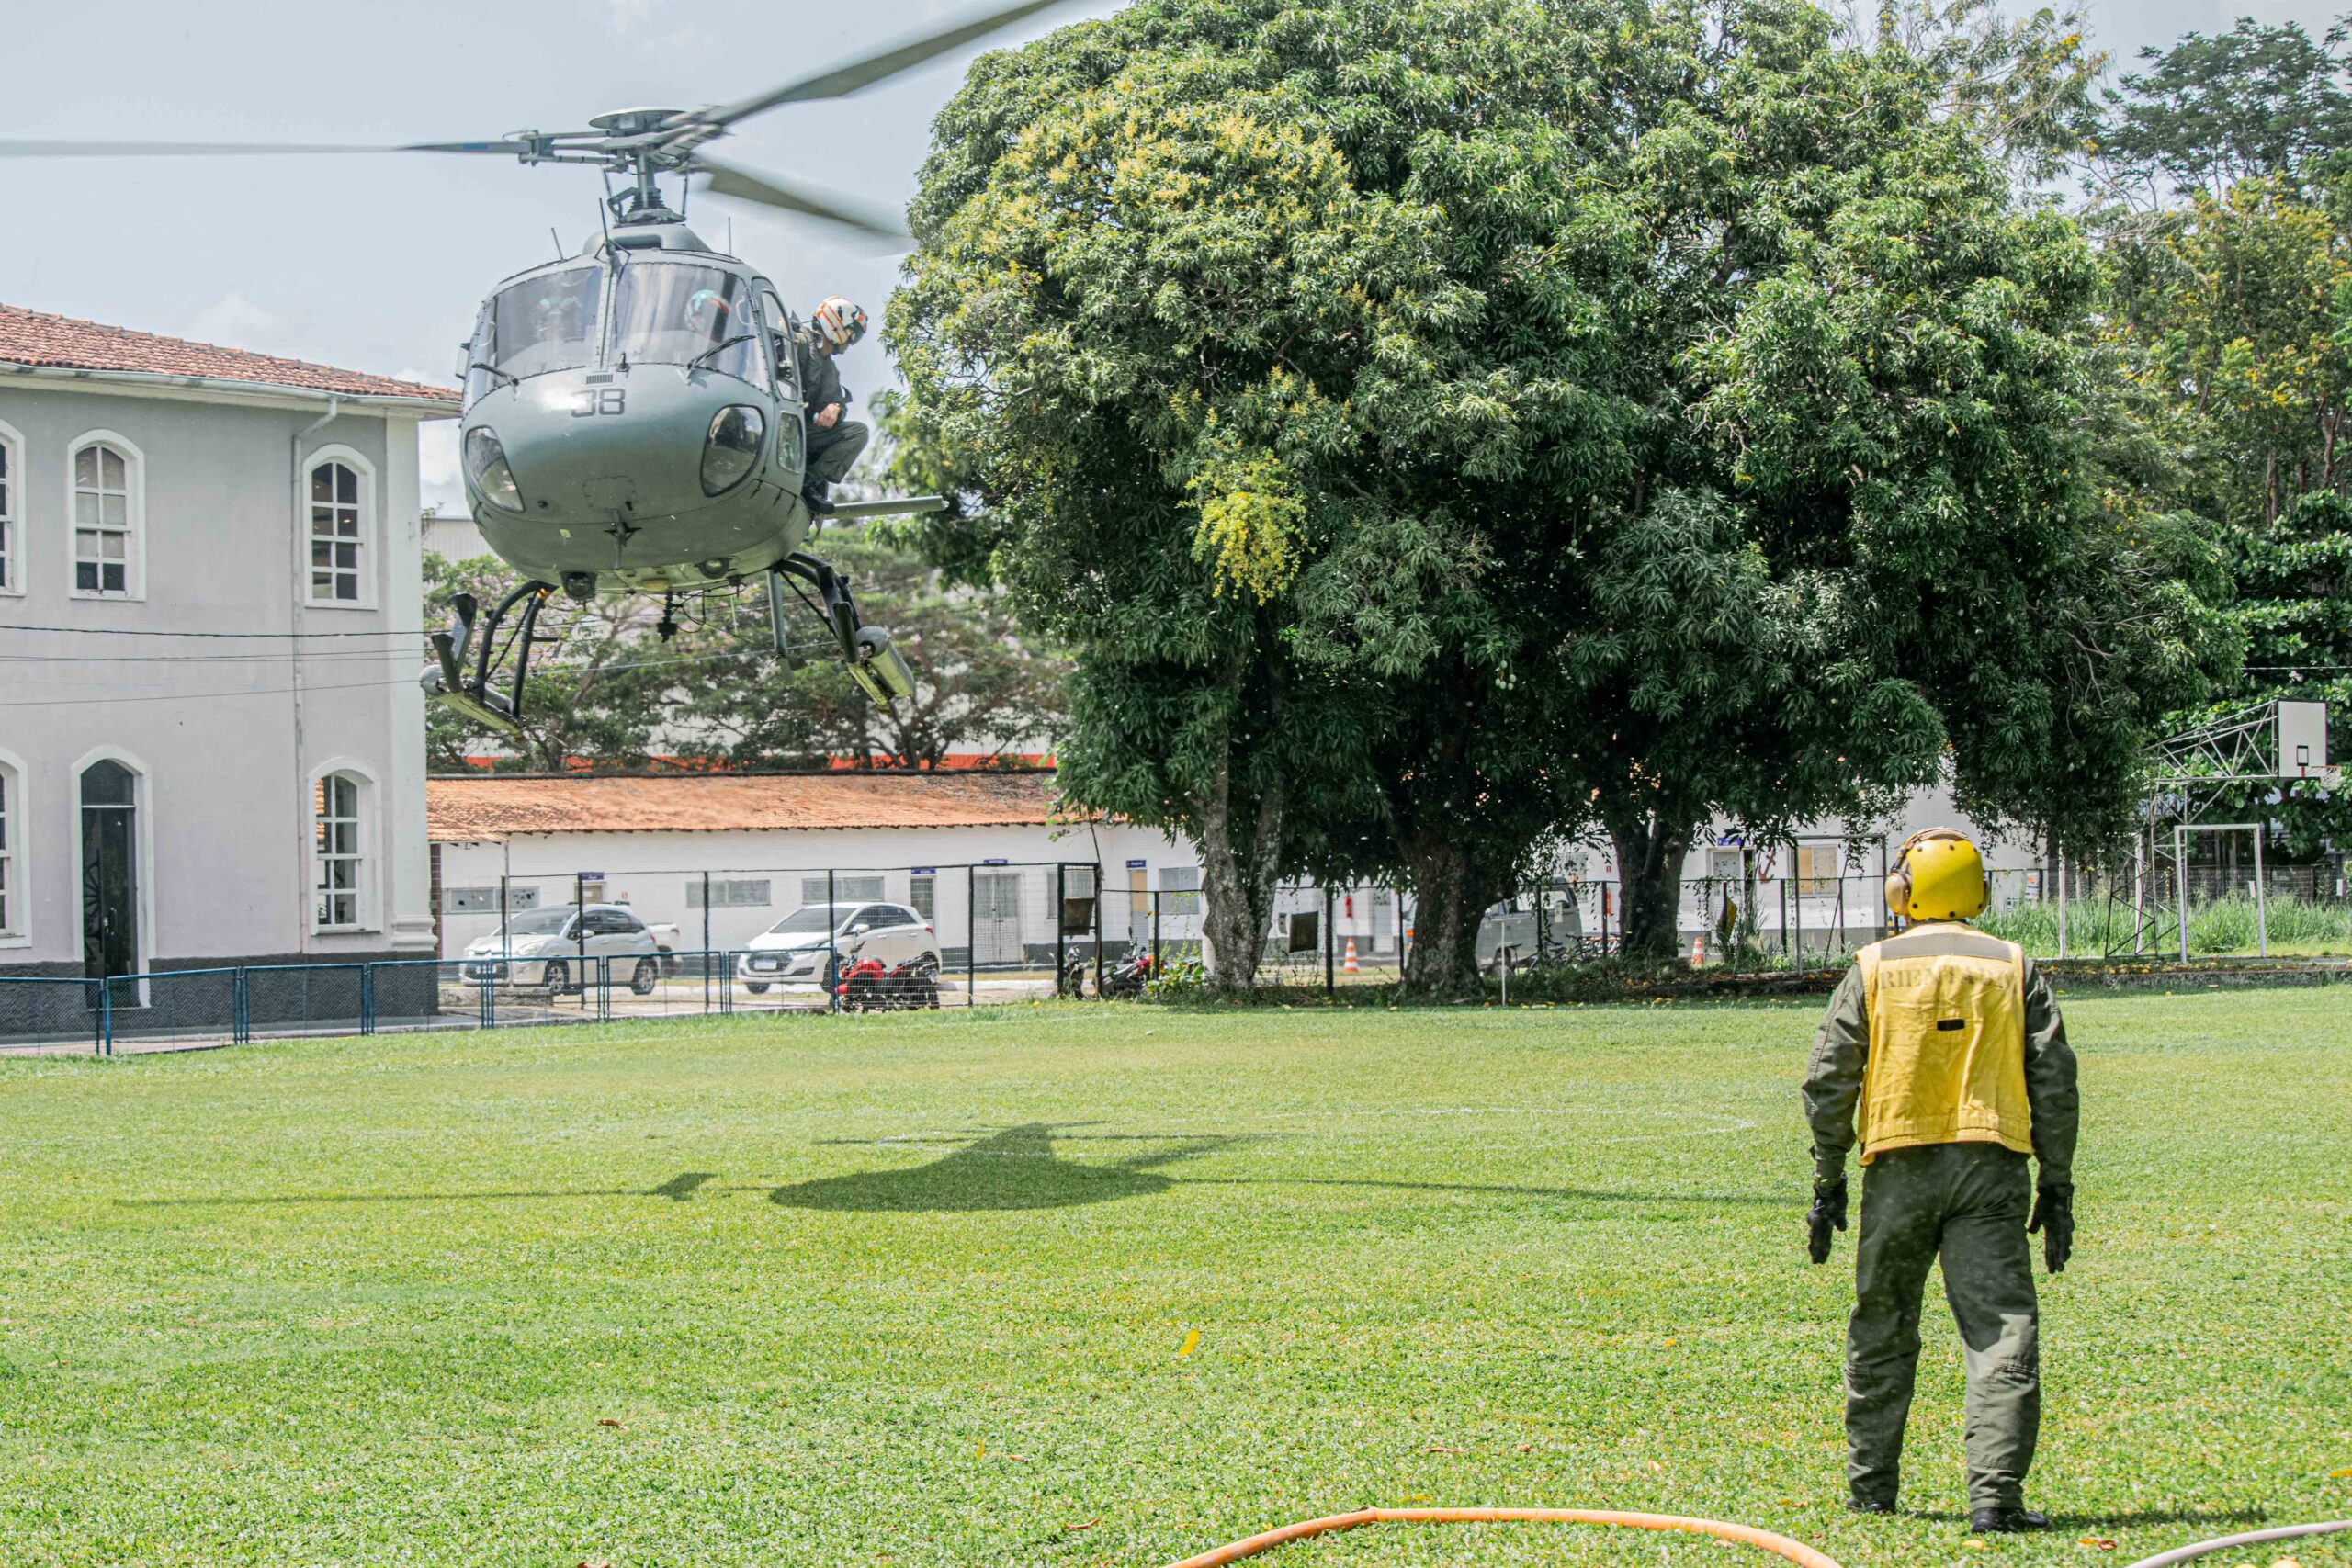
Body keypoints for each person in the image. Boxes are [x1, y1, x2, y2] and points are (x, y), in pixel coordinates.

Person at [1802, 828, 2078, 1534]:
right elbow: (2054, 1081)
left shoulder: (1871, 965)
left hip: (1897, 1164)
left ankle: (1871, 1489)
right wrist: (2058, 1182)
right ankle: (1995, 1497)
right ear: (1976, 890)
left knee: (1883, 1322)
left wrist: (1827, 1177)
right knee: (2000, 1330)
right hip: (1991, 1168)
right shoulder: (2014, 966)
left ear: (1907, 889)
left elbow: (1830, 1077)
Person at [793, 296, 870, 515]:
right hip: (776, 422)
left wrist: (836, 407)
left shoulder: (828, 368)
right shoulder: (795, 342)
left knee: (857, 432)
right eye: (851, 334)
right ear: (838, 327)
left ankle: (808, 482)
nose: (850, 342)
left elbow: (835, 400)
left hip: (801, 432)